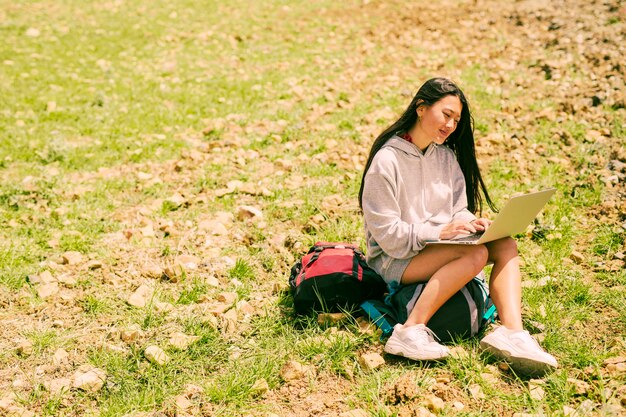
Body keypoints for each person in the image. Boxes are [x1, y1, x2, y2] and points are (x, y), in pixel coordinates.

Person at [358, 77, 557, 374]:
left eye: (456, 119)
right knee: (473, 255)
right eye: (446, 114)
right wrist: (438, 233)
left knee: (504, 244)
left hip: (438, 248)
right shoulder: (387, 161)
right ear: (421, 108)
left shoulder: (446, 157)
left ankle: (514, 334)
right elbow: (388, 237)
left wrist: (470, 222)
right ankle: (409, 331)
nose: (451, 125)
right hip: (395, 259)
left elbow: (456, 209)